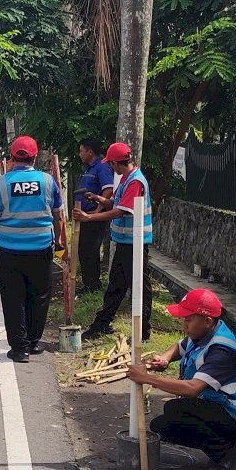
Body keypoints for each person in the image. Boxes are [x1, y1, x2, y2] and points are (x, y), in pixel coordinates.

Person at [127, 287, 236, 470]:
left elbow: (193, 389)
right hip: (227, 406)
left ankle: (228, 451)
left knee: (166, 424)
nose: (184, 324)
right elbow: (181, 346)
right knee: (172, 411)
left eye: (188, 319)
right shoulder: (204, 332)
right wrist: (166, 359)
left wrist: (146, 378)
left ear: (207, 321)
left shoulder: (222, 350)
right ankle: (226, 445)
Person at [0, 135, 66, 363]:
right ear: (35, 157)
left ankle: (19, 349)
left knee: (12, 298)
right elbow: (59, 217)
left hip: (9, 252)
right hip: (41, 250)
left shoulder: (0, 183)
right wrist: (57, 241)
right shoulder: (48, 182)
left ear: (12, 156)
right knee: (39, 296)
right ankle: (33, 342)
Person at [80, 141, 153, 340]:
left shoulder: (135, 181)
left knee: (139, 287)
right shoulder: (127, 178)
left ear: (114, 163)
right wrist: (100, 199)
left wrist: (90, 217)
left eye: (110, 163)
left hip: (135, 243)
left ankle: (143, 331)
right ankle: (102, 323)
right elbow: (117, 203)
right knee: (116, 285)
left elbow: (121, 211)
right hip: (126, 241)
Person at [73, 137, 115, 293]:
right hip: (85, 216)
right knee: (84, 251)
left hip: (93, 218)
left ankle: (93, 286)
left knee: (89, 251)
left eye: (81, 151)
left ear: (90, 152)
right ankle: (88, 284)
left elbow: (108, 190)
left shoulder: (102, 167)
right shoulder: (89, 168)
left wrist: (98, 210)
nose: (80, 154)